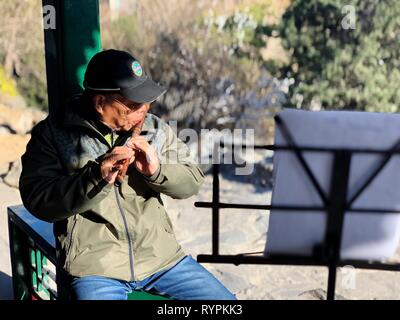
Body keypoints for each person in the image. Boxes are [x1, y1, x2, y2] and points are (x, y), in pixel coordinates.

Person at [19, 49, 236, 300]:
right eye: (132, 105)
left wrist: (157, 171)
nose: (144, 110)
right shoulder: (53, 134)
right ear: (101, 103)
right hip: (96, 268)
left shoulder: (155, 128)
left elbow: (192, 181)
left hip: (161, 259)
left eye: (146, 102)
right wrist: (95, 177)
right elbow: (38, 199)